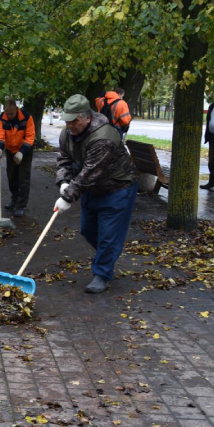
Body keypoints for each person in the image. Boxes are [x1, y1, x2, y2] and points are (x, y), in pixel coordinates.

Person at [54, 94, 139, 294]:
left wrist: (68, 197)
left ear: (87, 117)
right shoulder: (67, 134)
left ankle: (102, 274)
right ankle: (108, 254)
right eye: (67, 120)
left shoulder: (104, 137)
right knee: (87, 229)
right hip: (92, 189)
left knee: (108, 236)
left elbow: (90, 172)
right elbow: (64, 159)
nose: (70, 125)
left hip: (117, 187)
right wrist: (63, 181)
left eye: (74, 121)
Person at [0, 97, 36, 217]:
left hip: (25, 151)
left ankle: (21, 204)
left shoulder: (27, 118)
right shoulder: (2, 118)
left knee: (23, 177)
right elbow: (0, 134)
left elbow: (30, 136)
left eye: (11, 113)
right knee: (11, 176)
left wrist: (22, 151)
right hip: (10, 150)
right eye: (7, 113)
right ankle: (14, 199)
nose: (9, 116)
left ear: (16, 109)